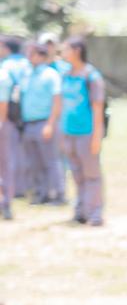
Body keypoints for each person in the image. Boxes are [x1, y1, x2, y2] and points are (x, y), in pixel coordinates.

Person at [59, 36, 106, 225]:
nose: (62, 53)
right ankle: (81, 211)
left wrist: (96, 136)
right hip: (68, 132)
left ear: (77, 51)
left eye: (66, 49)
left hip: (86, 132)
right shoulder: (67, 74)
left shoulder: (91, 76)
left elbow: (97, 108)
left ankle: (95, 214)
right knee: (77, 174)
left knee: (92, 174)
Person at [18, 42, 63, 206]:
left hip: (45, 122)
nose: (29, 56)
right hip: (29, 123)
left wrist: (50, 124)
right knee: (33, 162)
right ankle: (40, 193)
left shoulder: (50, 75)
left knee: (51, 161)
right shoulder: (27, 74)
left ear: (42, 56)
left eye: (33, 53)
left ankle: (58, 194)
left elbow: (57, 101)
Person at [0, 36, 28, 220]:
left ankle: (6, 203)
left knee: (5, 164)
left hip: (4, 123)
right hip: (12, 121)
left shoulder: (5, 71)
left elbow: (3, 102)